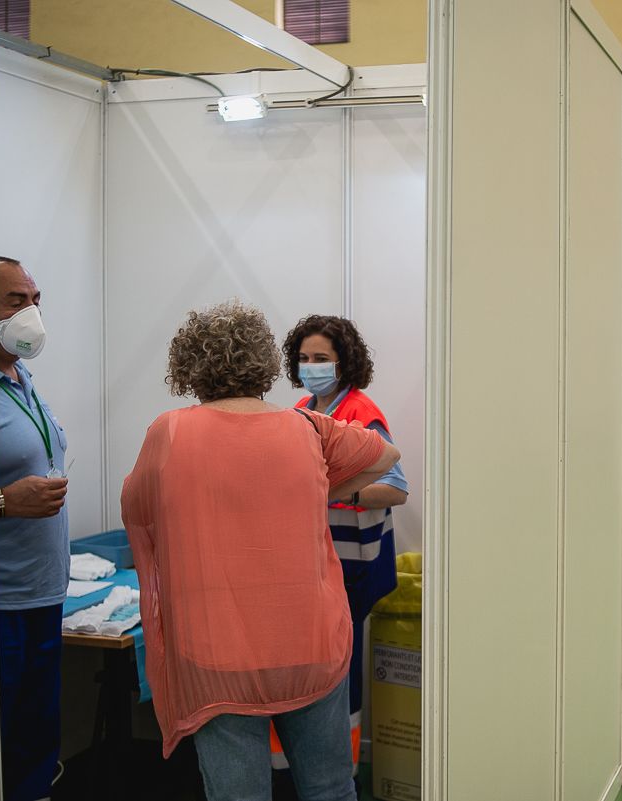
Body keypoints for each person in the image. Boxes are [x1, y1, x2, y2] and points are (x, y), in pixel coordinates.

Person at [121, 300, 399, 801]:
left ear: (190, 367)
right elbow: (387, 458)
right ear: (265, 363)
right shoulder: (307, 428)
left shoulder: (170, 432)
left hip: (217, 650)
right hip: (309, 642)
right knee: (331, 789)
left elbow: (139, 511)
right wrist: (324, 488)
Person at [275, 315, 409, 775]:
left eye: (322, 359)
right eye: (305, 358)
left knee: (340, 675)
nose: (311, 366)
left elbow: (396, 488)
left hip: (354, 569)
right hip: (314, 567)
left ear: (344, 362)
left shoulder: (361, 414)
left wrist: (340, 492)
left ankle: (340, 773)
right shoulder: (300, 411)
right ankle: (304, 769)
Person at [0, 256, 70, 801]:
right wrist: (1, 502)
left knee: (37, 740)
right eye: (16, 300)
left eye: (35, 299)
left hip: (44, 594)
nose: (31, 311)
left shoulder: (22, 380)